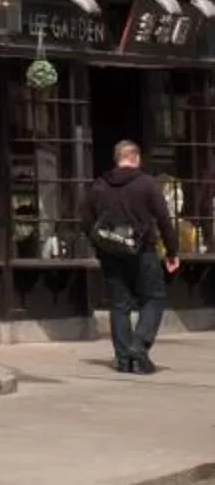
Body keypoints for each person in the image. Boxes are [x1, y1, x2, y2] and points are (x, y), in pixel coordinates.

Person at [88, 139, 183, 374]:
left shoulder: (99, 186)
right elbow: (163, 219)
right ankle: (139, 345)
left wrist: (100, 247)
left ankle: (123, 359)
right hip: (143, 251)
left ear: (118, 158)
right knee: (155, 297)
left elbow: (85, 221)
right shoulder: (147, 184)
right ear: (136, 158)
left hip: (111, 253)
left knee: (119, 304)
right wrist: (172, 251)